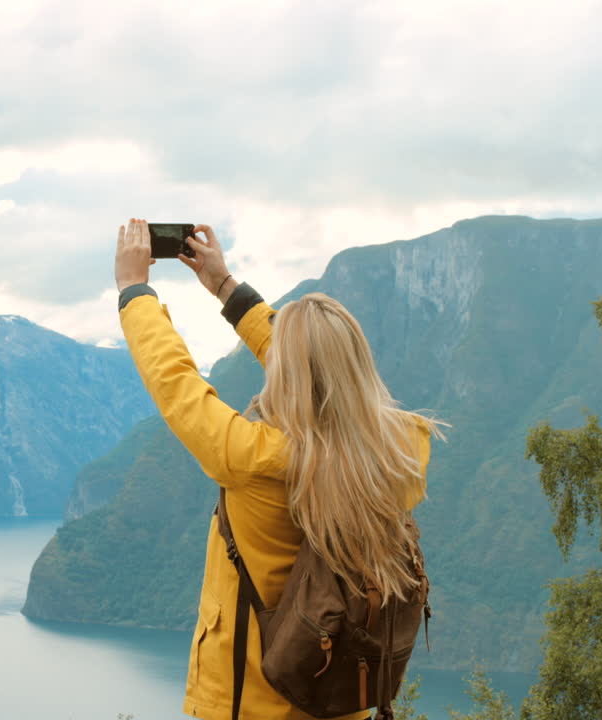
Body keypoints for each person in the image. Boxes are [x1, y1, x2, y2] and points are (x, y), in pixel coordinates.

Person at [114, 218, 442, 720]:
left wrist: (134, 291)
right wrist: (224, 287)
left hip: (253, 700)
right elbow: (319, 371)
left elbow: (174, 380)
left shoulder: (251, 457)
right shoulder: (400, 451)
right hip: (338, 695)